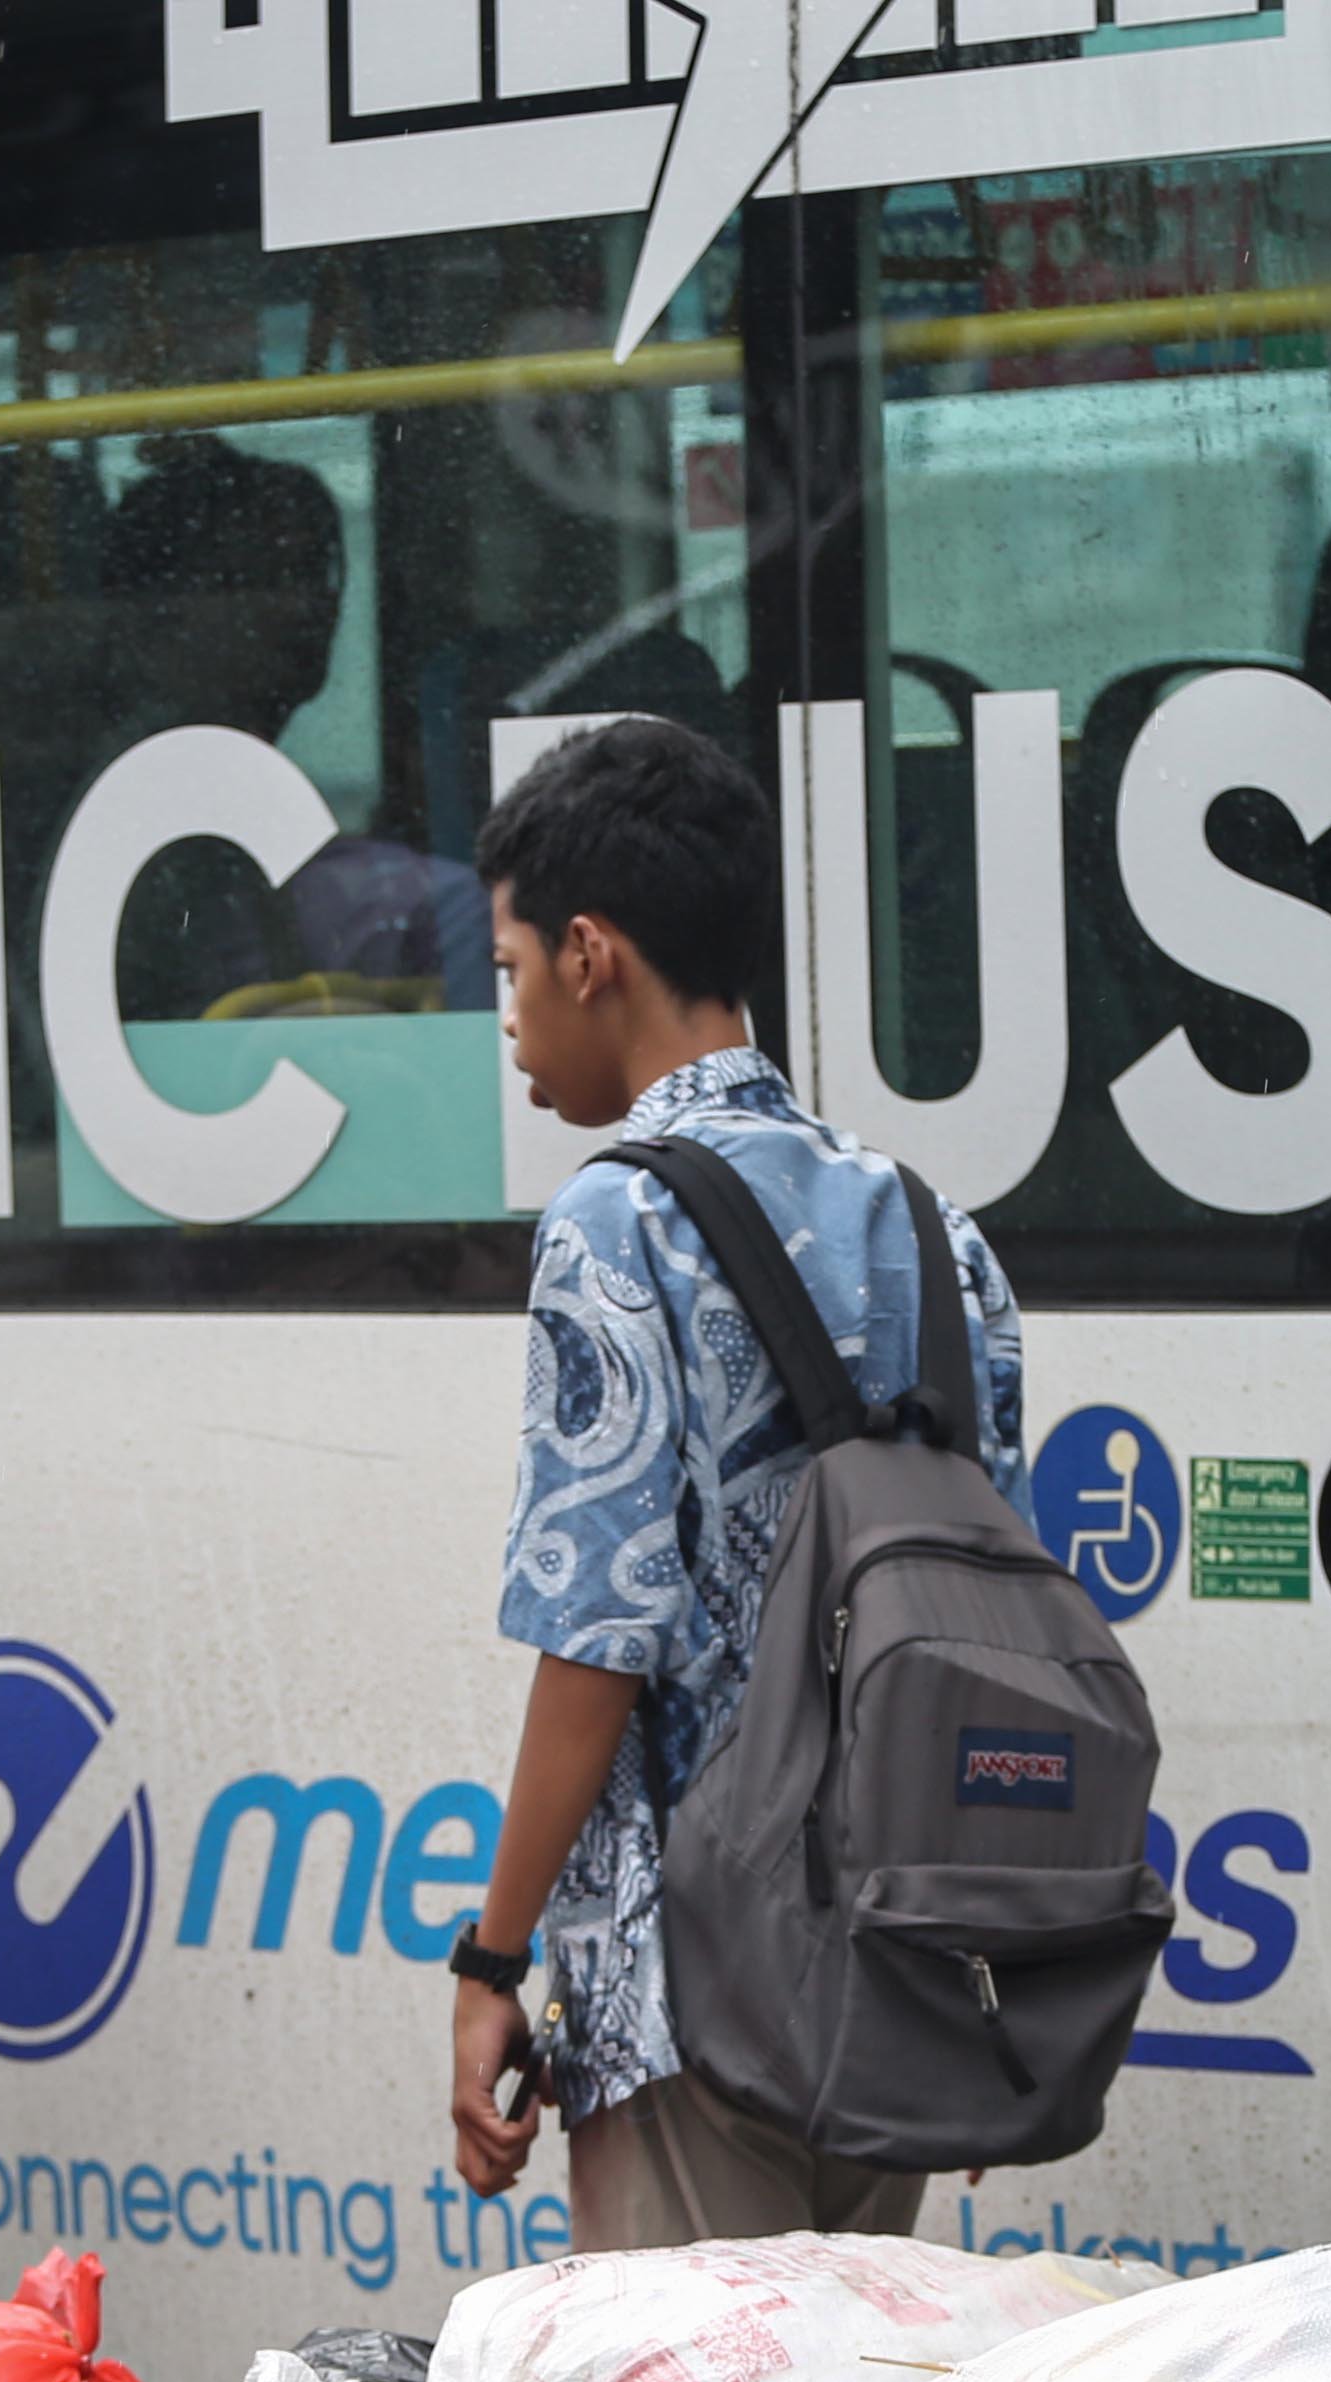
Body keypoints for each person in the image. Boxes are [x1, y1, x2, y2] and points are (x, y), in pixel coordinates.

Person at [438, 712, 1030, 2250]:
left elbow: (596, 1647)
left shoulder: (616, 1224)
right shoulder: (935, 1230)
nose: (506, 1023)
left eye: (508, 974)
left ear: (589, 953)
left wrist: (492, 1963)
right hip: (900, 1962)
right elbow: (990, 1627)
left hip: (691, 1991)